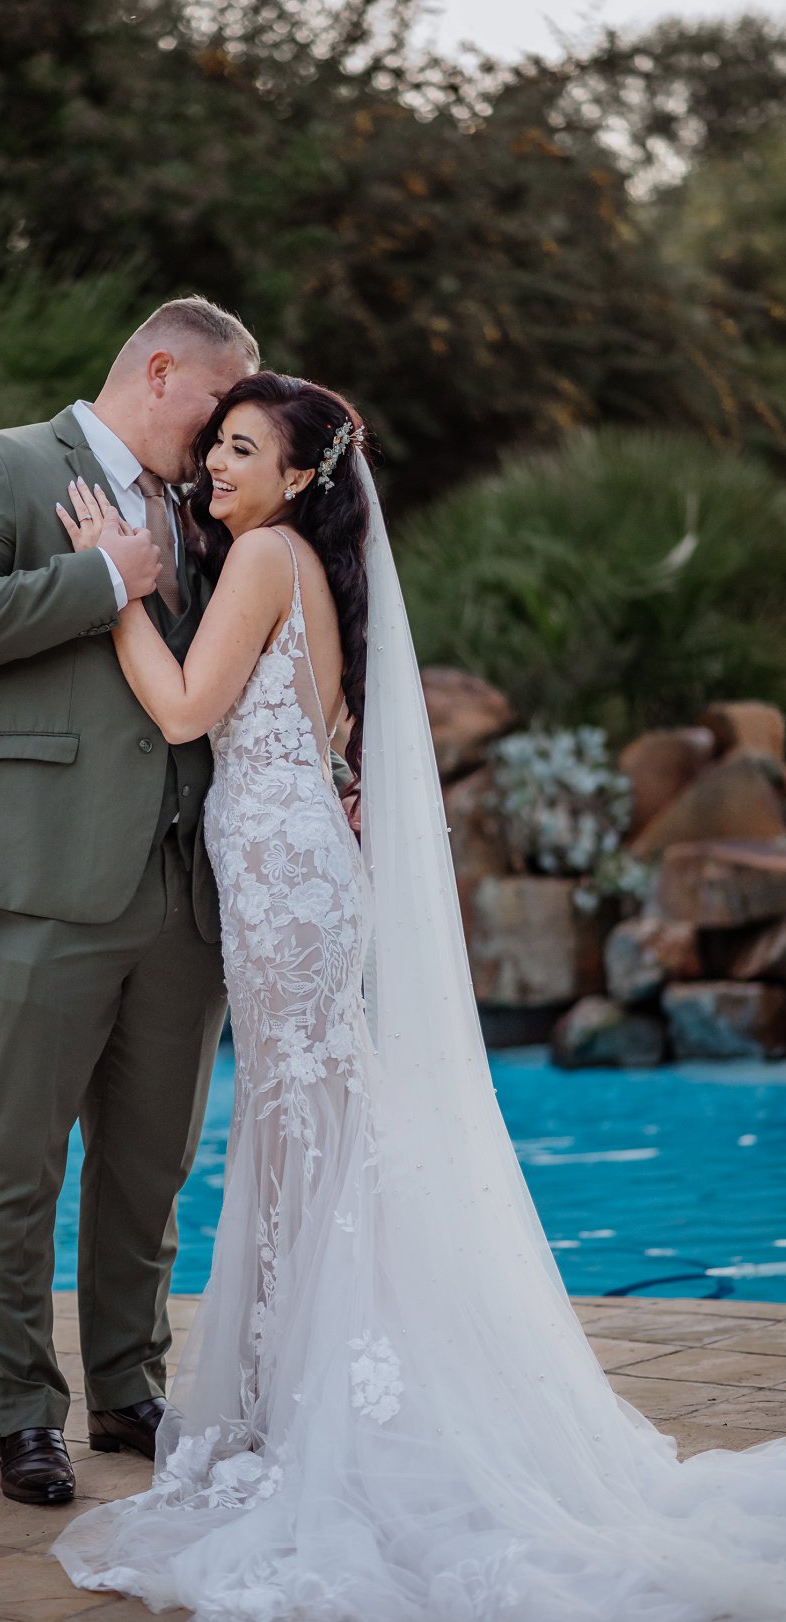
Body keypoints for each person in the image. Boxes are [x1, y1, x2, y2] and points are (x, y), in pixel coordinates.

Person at [51, 371, 786, 1620]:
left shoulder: (264, 557)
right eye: (216, 443)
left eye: (242, 448)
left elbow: (180, 709)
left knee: (305, 1117)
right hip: (297, 875)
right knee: (313, 1117)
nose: (216, 462)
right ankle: (308, 1391)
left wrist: (111, 583)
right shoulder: (308, 568)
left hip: (284, 882)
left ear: (298, 477)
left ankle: (330, 1401)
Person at [0, 297, 260, 1506]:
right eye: (215, 401)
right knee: (16, 1162)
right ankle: (22, 1413)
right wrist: (103, 575)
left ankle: (127, 1389)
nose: (223, 432)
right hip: (35, 874)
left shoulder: (207, 505)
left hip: (183, 886)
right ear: (160, 371)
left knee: (150, 1165)